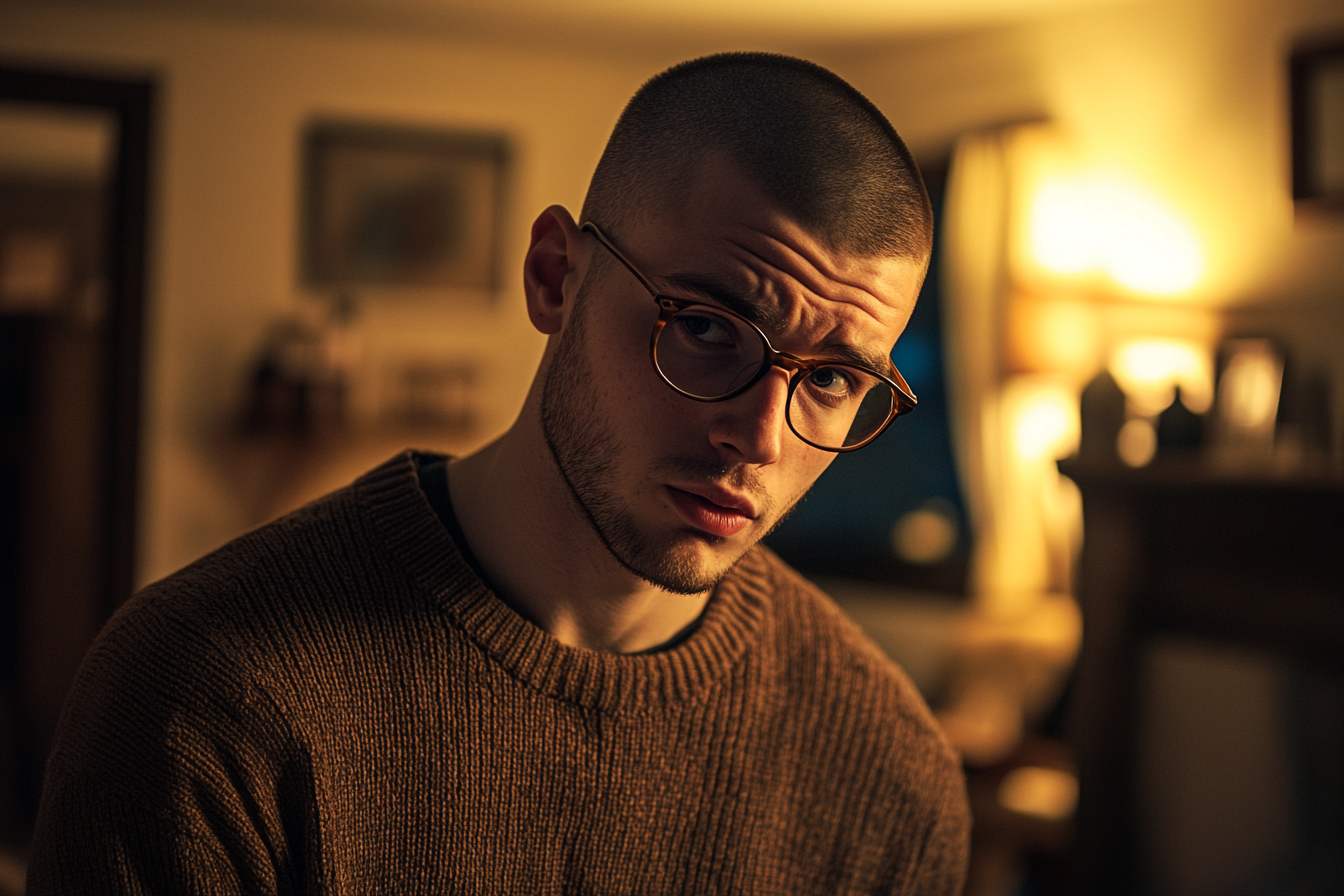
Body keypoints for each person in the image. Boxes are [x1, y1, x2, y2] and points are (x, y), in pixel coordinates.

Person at [28, 52, 970, 894]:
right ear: (556, 277)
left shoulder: (887, 771)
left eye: (837, 380)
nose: (761, 437)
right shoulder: (202, 695)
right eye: (706, 330)